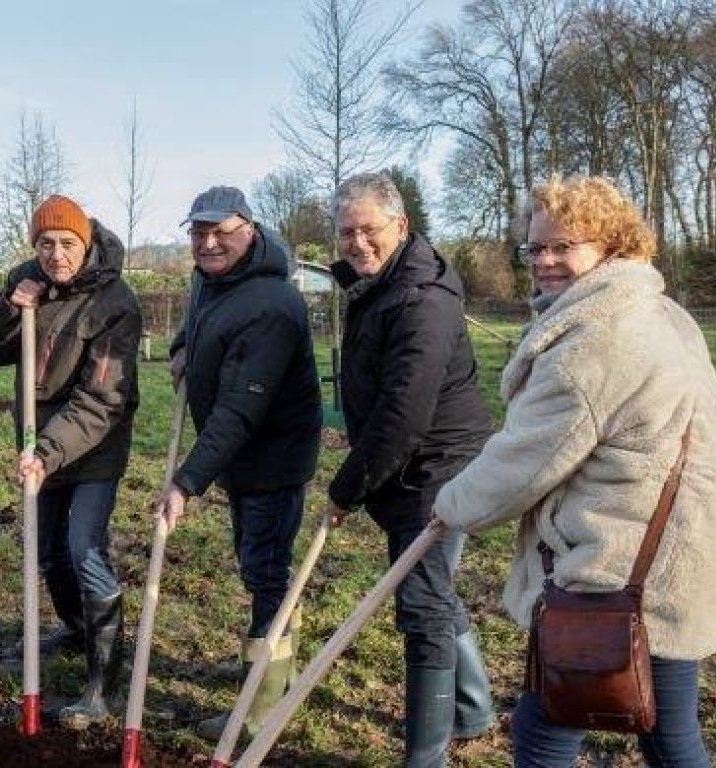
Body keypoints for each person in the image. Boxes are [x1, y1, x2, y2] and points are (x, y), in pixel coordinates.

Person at [433, 175, 716, 768]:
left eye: (565, 245)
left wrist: (450, 504)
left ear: (612, 245)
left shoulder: (593, 341)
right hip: (679, 561)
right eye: (536, 247)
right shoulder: (664, 314)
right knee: (670, 734)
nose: (546, 260)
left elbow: (523, 461)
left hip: (612, 572)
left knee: (543, 738)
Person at [326, 172, 495, 767]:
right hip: (407, 462)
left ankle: (426, 759)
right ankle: (472, 709)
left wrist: (347, 487)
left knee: (422, 606)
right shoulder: (380, 283)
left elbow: (403, 413)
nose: (357, 242)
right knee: (433, 587)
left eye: (369, 229)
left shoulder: (421, 299)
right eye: (346, 232)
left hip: (439, 466)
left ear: (400, 225)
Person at [155, 186, 322, 740]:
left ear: (249, 229)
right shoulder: (213, 278)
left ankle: (260, 711)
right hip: (242, 458)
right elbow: (204, 319)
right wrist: (183, 345)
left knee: (265, 571)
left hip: (270, 457)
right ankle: (275, 671)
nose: (207, 242)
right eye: (198, 232)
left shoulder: (273, 303)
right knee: (260, 566)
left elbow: (241, 409)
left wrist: (186, 482)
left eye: (220, 231)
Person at [0, 194, 142, 728]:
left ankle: (103, 682)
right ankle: (77, 628)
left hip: (92, 445)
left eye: (67, 242)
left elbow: (101, 399)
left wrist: (47, 452)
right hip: (38, 445)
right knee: (48, 553)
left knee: (82, 549)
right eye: (45, 243)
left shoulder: (116, 302)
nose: (55, 253)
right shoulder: (26, 278)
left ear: (86, 242)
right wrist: (10, 308)